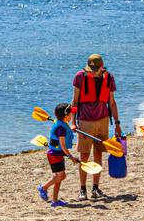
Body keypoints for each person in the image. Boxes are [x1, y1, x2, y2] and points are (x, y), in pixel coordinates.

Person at [69, 54, 122, 200]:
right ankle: (82, 189)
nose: (93, 71)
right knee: (84, 155)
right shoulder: (79, 77)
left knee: (98, 154)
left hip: (103, 120)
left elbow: (112, 103)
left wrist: (117, 124)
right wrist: (73, 122)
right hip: (85, 121)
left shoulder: (109, 77)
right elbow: (74, 102)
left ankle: (96, 188)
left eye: (95, 69)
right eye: (91, 69)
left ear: (101, 67)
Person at [38, 103, 80, 207]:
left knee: (59, 176)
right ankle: (43, 187)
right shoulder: (60, 129)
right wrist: (71, 157)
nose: (71, 116)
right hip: (54, 155)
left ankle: (55, 200)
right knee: (61, 176)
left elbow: (64, 127)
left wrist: (71, 128)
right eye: (71, 114)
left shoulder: (59, 122)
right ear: (66, 116)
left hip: (57, 154)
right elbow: (63, 145)